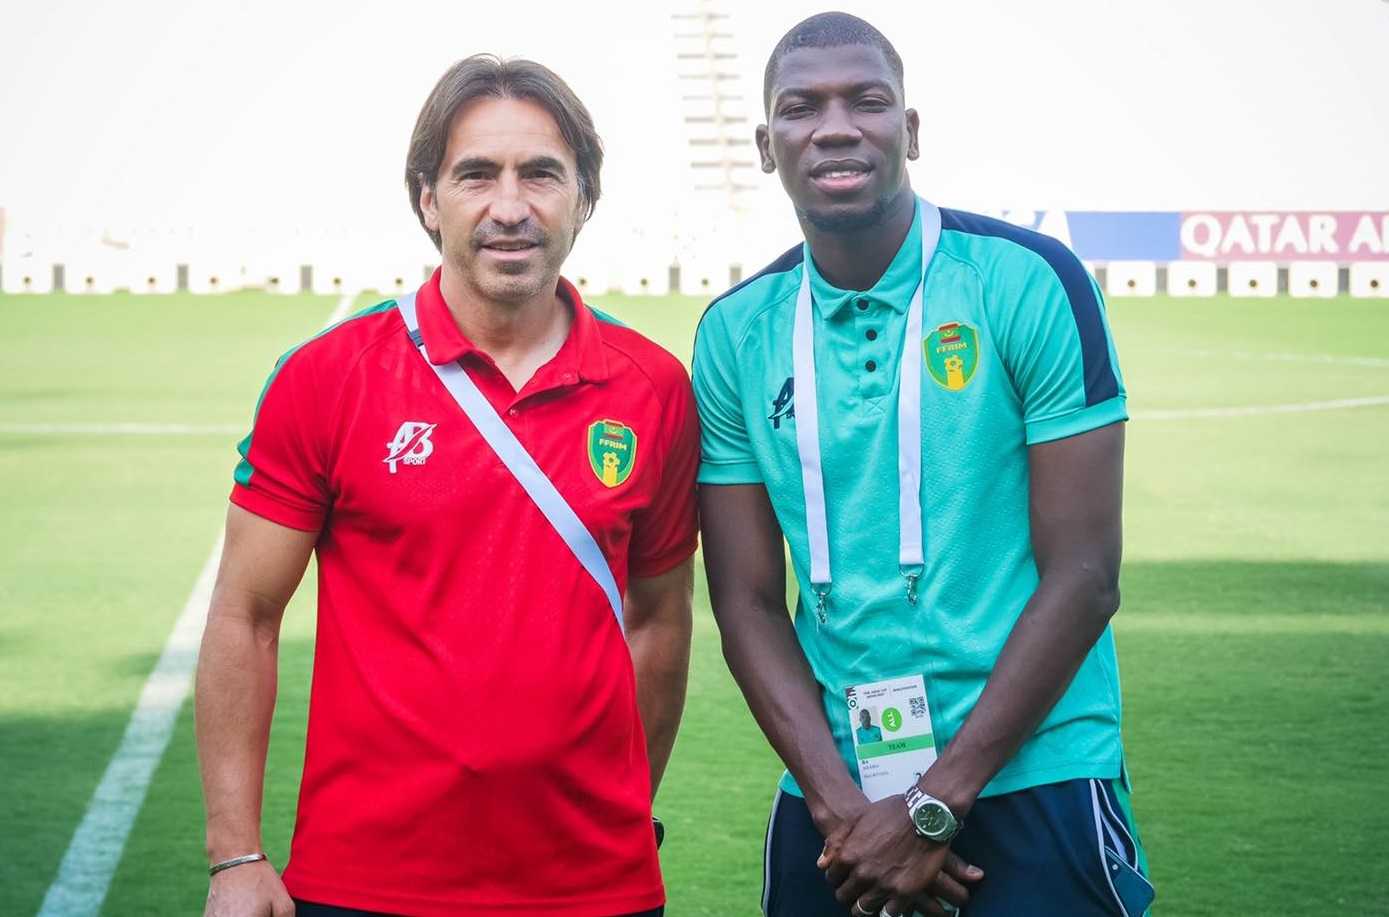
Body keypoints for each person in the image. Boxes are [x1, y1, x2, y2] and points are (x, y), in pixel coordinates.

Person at [196, 54, 699, 917]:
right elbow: (245, 615)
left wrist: (620, 811)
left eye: (540, 173)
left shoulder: (652, 387)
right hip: (364, 881)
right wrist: (235, 855)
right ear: (428, 199)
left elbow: (659, 620)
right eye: (476, 175)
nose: (509, 206)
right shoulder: (327, 376)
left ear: (584, 197)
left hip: (592, 887)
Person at [693, 13, 1153, 917]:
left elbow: (1085, 573)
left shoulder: (1026, 280)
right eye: (801, 107)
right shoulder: (735, 332)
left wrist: (935, 802)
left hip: (1036, 769)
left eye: (865, 101)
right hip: (838, 795)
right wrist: (839, 805)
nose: (834, 127)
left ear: (908, 130)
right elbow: (743, 600)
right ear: (764, 145)